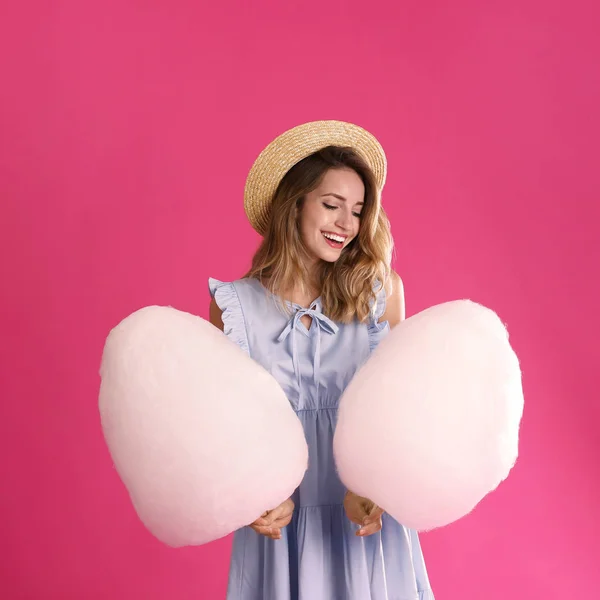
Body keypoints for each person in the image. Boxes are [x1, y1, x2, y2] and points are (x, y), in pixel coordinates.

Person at [208, 120, 434, 600]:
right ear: (293, 206)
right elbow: (220, 428)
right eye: (331, 205)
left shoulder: (380, 295)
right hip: (279, 525)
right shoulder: (235, 306)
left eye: (356, 211)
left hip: (363, 518)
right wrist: (254, 497)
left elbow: (399, 411)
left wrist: (375, 486)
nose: (346, 224)